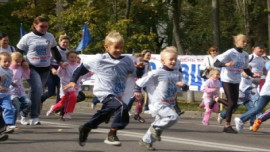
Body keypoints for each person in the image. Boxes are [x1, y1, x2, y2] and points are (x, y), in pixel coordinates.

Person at [63, 32, 144, 146]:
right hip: (104, 92)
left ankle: (86, 127)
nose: (119, 50)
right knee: (122, 107)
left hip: (118, 93)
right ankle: (112, 134)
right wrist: (73, 80)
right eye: (116, 47)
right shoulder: (99, 59)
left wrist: (140, 68)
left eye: (121, 47)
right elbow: (81, 68)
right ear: (107, 47)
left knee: (105, 113)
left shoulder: (127, 60)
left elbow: (137, 75)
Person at [135, 46, 188, 151]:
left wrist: (183, 86)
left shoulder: (177, 73)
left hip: (169, 103)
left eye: (175, 59)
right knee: (173, 117)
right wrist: (137, 90)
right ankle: (155, 129)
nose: (173, 62)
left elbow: (186, 88)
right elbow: (143, 80)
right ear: (163, 61)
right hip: (158, 103)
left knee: (159, 122)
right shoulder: (158, 72)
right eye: (171, 59)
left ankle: (146, 140)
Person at [16, 16, 62, 125]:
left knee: (35, 92)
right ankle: (34, 116)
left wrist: (60, 61)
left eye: (46, 26)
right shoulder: (27, 37)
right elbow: (18, 52)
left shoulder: (50, 36)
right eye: (41, 26)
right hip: (31, 68)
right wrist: (23, 62)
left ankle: (23, 112)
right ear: (35, 25)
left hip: (45, 69)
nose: (44, 28)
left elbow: (54, 49)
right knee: (37, 89)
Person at [214, 34, 258, 133]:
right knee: (232, 102)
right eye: (243, 41)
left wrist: (252, 75)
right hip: (227, 79)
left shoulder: (245, 55)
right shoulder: (230, 52)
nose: (245, 43)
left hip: (236, 80)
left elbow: (246, 68)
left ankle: (219, 100)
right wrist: (226, 64)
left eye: (246, 41)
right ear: (237, 42)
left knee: (233, 104)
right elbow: (216, 63)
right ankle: (227, 125)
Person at [217, 44, 265, 129]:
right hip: (244, 85)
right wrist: (247, 75)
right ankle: (249, 123)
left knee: (236, 105)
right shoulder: (249, 57)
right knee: (255, 105)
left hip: (253, 85)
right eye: (260, 48)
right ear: (254, 49)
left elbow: (263, 70)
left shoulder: (262, 59)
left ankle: (223, 115)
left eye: (263, 48)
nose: (262, 50)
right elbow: (243, 68)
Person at [235, 61, 270, 133]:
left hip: (266, 91)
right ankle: (241, 119)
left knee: (258, 109)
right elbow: (267, 64)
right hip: (267, 91)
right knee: (257, 109)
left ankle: (243, 119)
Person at [46, 50, 80, 119]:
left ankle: (55, 108)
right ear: (67, 58)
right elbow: (60, 74)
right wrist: (62, 67)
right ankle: (64, 112)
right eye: (71, 57)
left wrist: (90, 73)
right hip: (66, 85)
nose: (73, 59)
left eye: (75, 57)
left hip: (74, 86)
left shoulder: (79, 66)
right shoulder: (65, 65)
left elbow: (82, 75)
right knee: (71, 97)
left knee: (63, 102)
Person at [41, 35, 70, 105]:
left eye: (67, 42)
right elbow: (47, 61)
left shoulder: (68, 52)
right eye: (64, 42)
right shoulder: (54, 50)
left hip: (61, 73)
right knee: (51, 92)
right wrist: (52, 69)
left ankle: (57, 108)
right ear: (59, 42)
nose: (65, 44)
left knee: (61, 91)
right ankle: (39, 100)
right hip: (51, 71)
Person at [9, 52, 31, 125]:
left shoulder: (20, 68)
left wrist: (27, 69)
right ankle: (12, 124)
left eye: (20, 62)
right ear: (11, 60)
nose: (18, 63)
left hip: (20, 91)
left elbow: (27, 76)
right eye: (16, 61)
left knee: (28, 102)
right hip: (11, 92)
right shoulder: (8, 69)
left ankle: (15, 112)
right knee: (16, 106)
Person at [0, 52, 16, 133]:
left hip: (6, 95)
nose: (7, 63)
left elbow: (9, 80)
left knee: (8, 108)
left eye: (9, 61)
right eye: (5, 61)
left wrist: (13, 83)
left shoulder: (10, 71)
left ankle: (9, 124)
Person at [127, 53, 146, 123]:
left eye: (142, 60)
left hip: (138, 86)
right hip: (132, 86)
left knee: (140, 100)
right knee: (132, 100)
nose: (141, 62)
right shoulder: (132, 67)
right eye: (140, 60)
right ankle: (123, 113)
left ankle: (137, 114)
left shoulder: (142, 67)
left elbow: (141, 76)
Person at [141, 49, 152, 113]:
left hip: (145, 81)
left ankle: (146, 108)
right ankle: (127, 109)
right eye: (148, 55)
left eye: (150, 55)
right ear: (143, 55)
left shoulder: (148, 63)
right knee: (134, 96)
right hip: (138, 81)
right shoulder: (141, 61)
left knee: (149, 92)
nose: (149, 56)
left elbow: (149, 71)